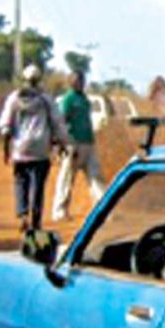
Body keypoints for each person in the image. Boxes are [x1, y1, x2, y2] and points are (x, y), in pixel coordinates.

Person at [0, 64, 69, 232]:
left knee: (20, 181)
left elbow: (5, 125)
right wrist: (62, 143)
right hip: (40, 149)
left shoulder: (14, 98)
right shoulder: (45, 100)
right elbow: (57, 123)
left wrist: (6, 150)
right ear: (39, 80)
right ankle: (36, 222)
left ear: (23, 79)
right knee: (38, 186)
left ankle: (23, 214)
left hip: (20, 149)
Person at [52, 70, 106, 222]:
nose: (80, 83)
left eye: (82, 80)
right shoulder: (68, 99)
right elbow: (62, 121)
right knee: (67, 178)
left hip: (88, 142)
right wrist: (64, 143)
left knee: (96, 176)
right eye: (77, 80)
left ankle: (102, 209)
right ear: (71, 82)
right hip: (73, 144)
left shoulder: (84, 99)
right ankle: (60, 211)